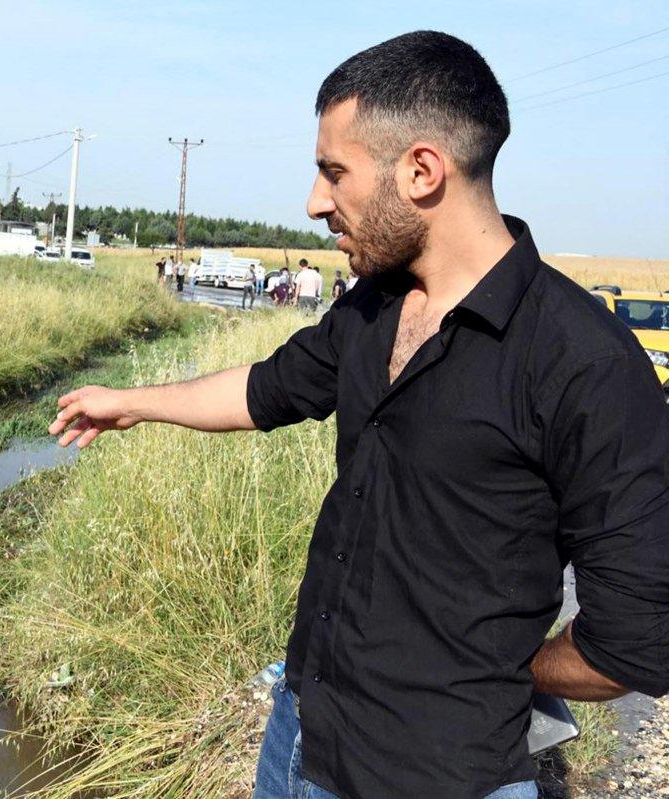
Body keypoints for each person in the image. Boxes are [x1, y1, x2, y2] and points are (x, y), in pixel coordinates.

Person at [47, 30, 668, 799]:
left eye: (333, 172)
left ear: (421, 170)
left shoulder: (586, 363)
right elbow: (266, 389)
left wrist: (505, 670)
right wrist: (131, 402)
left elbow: (633, 641)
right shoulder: (373, 307)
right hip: (302, 732)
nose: (315, 203)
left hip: (440, 775)